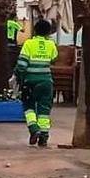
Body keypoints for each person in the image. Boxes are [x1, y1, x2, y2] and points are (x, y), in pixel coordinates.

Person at [15, 19, 58, 147]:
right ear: (48, 32)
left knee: (29, 107)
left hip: (30, 82)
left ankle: (34, 130)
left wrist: (19, 76)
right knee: (44, 110)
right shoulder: (51, 44)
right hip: (46, 82)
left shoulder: (28, 44)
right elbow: (54, 59)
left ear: (35, 30)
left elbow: (22, 64)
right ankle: (44, 137)